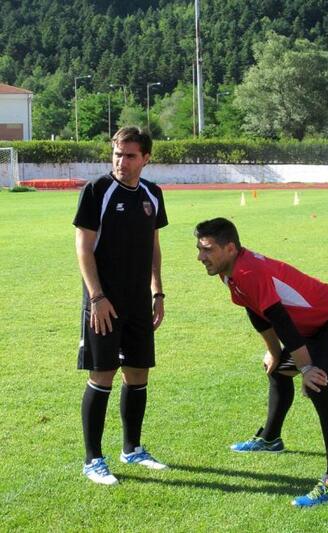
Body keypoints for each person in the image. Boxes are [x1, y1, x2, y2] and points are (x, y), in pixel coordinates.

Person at [195, 217, 328, 507]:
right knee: (278, 370)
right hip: (315, 329)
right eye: (199, 249)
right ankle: (271, 439)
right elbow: (255, 310)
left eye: (207, 249)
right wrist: (274, 353)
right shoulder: (230, 271)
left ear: (230, 248)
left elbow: (281, 320)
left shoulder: (248, 271)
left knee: (319, 389)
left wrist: (307, 368)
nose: (201, 257)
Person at [73, 126, 168, 485]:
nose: (121, 162)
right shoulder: (97, 190)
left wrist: (157, 292)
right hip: (104, 302)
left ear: (146, 158)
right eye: (117, 154)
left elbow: (153, 246)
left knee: (139, 373)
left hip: (139, 301)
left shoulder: (153, 194)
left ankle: (133, 449)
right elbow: (83, 247)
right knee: (103, 374)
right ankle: (93, 460)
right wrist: (97, 297)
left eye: (130, 156)